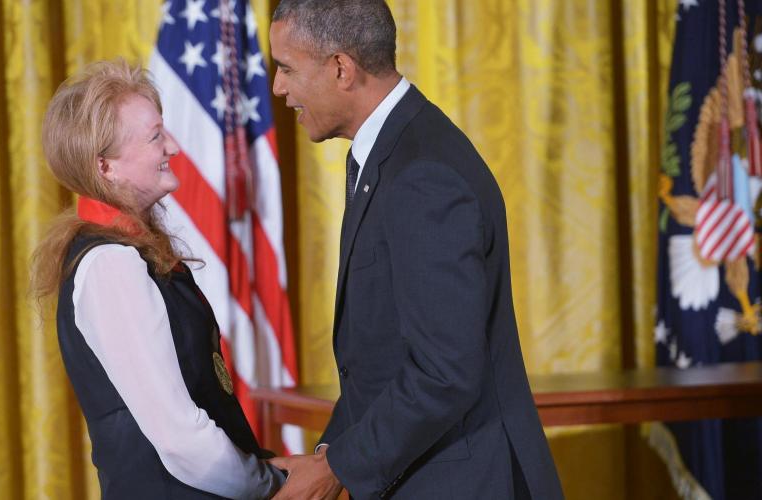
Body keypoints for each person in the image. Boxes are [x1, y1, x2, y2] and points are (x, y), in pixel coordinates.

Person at [267, 1, 563, 499]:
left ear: (341, 69)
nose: (279, 87)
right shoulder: (393, 152)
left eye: (287, 68)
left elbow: (444, 371)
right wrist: (328, 456)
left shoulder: (423, 174)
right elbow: (382, 362)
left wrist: (338, 467)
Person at [30, 60, 284, 499]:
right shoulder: (111, 265)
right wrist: (269, 486)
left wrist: (266, 466)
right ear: (105, 167)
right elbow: (181, 439)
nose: (173, 146)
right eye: (154, 137)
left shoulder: (124, 253)